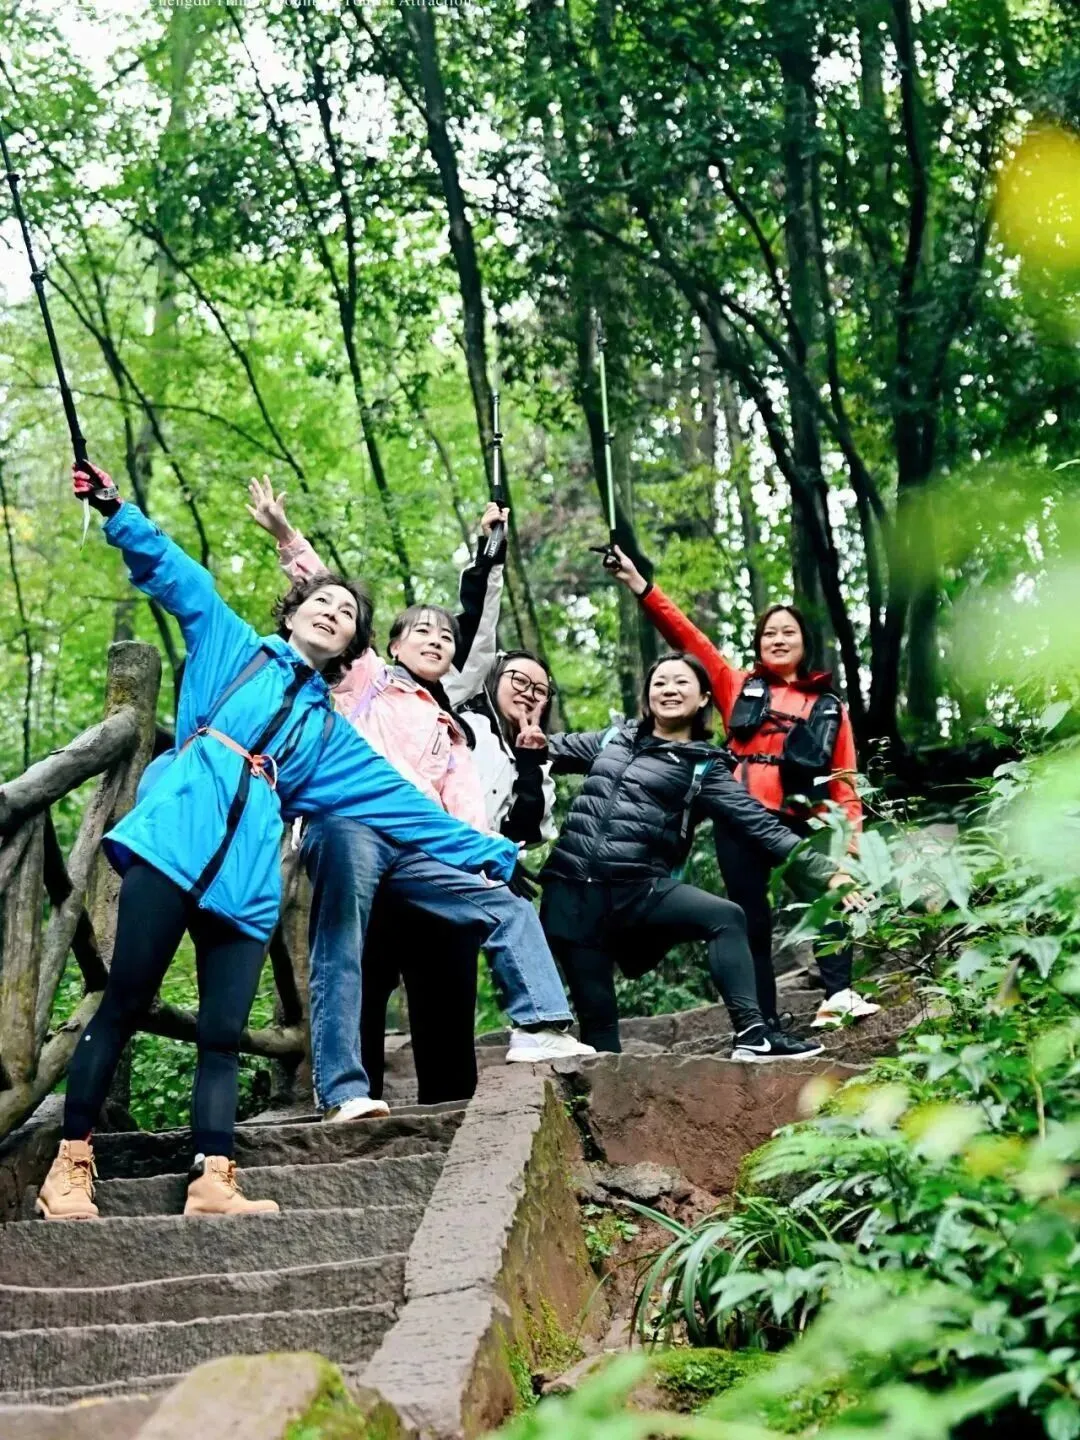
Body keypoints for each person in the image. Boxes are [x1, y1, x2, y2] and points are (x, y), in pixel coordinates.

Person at [37, 460, 520, 1223]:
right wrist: (115, 509)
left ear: (352, 643)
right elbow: (177, 574)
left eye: (346, 612)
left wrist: (488, 852)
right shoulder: (233, 646)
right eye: (320, 600)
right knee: (124, 1001)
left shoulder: (330, 735)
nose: (332, 611)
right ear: (293, 612)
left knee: (223, 1034)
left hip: (247, 882)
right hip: (173, 843)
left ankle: (213, 1180)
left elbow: (401, 804)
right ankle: (70, 1166)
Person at [247, 482, 592, 1124]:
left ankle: (540, 1024)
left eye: (444, 637)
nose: (435, 641)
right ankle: (344, 1091)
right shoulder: (368, 680)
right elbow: (329, 598)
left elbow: (463, 812)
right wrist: (286, 537)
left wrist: (484, 861)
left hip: (417, 848)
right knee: (343, 948)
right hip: (350, 825)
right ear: (391, 645)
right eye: (421, 632)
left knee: (507, 905)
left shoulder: (453, 731)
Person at [607, 548, 879, 1031]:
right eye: (769, 633)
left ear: (804, 643)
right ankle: (764, 1021)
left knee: (830, 894)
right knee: (749, 917)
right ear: (758, 644)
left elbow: (845, 782)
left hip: (805, 820)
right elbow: (686, 636)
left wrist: (850, 849)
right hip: (741, 819)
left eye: (788, 632)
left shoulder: (829, 706)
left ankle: (839, 995)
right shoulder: (736, 685)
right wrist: (639, 584)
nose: (778, 639)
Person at [538, 651, 861, 1057]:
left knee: (725, 916)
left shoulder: (704, 767)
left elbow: (762, 826)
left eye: (681, 682)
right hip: (570, 896)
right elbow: (541, 751)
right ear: (647, 694)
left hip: (638, 891)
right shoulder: (612, 740)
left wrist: (827, 871)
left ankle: (753, 1034)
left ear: (704, 697)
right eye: (660, 683)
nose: (669, 690)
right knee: (599, 1027)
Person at [360, 649, 559, 1105]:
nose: (528, 693)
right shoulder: (460, 721)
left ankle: (446, 1112)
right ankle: (358, 1101)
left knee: (447, 1001)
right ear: (493, 679)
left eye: (540, 689)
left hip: (463, 882)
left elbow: (528, 831)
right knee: (368, 985)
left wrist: (531, 761)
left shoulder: (533, 756)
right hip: (400, 861)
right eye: (519, 680)